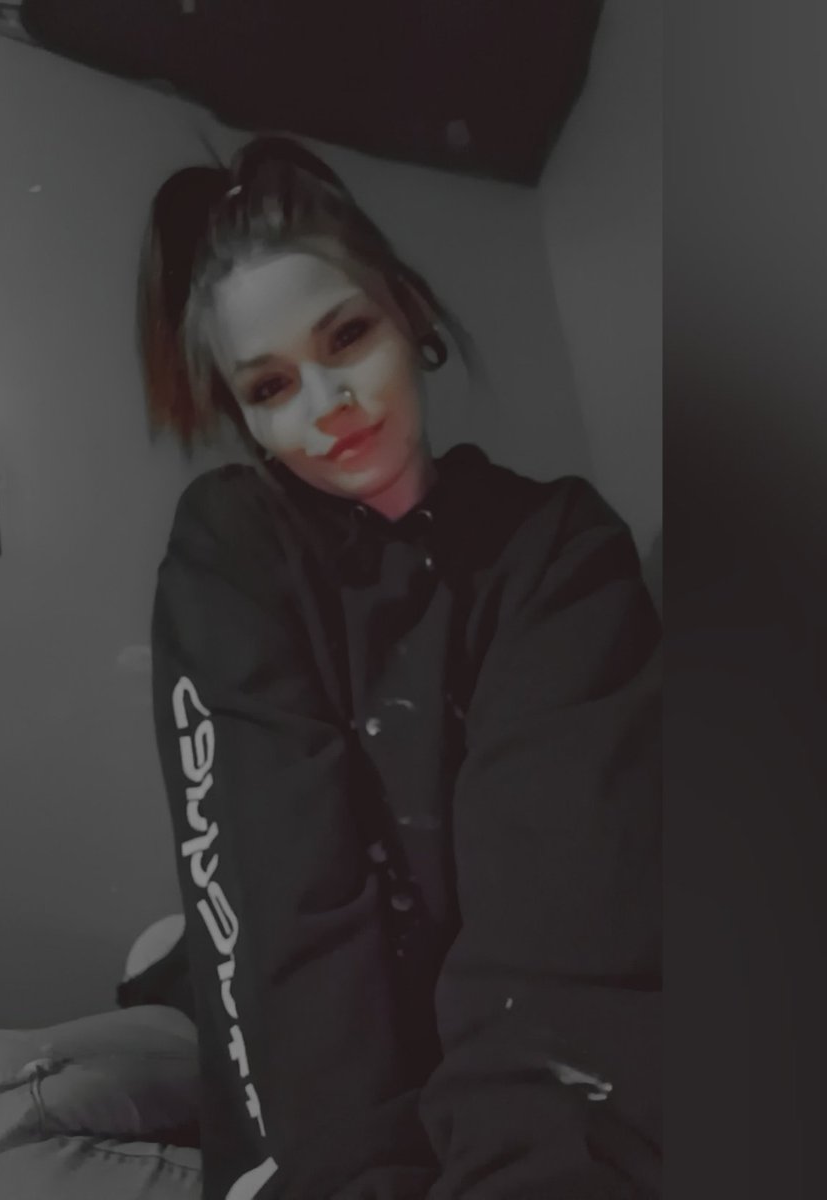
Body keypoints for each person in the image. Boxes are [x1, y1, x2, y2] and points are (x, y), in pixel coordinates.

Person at [139, 136, 661, 1200]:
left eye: (347, 335)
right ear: (247, 419)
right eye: (272, 384)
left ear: (409, 311)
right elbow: (281, 922)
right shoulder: (234, 548)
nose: (327, 403)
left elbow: (561, 951)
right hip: (302, 1102)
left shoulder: (559, 552)